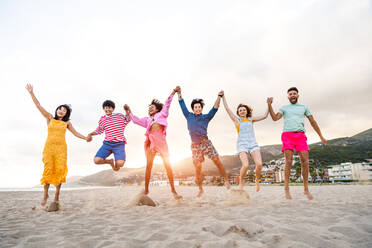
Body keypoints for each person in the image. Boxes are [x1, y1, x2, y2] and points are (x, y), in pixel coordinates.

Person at [25, 84, 90, 207]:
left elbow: (75, 133)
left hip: (61, 150)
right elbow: (38, 105)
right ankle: (45, 194)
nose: (61, 111)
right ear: (57, 110)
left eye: (64, 110)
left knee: (59, 171)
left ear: (66, 114)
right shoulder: (49, 118)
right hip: (49, 149)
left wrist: (86, 138)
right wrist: (31, 93)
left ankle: (57, 195)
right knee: (48, 170)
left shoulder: (67, 123)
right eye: (60, 109)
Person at [267, 87, 327, 200]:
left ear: (298, 95)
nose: (292, 95)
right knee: (288, 162)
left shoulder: (304, 107)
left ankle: (306, 189)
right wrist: (269, 105)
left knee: (305, 161)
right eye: (290, 94)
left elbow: (313, 122)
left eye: (294, 93)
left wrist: (321, 136)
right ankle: (286, 189)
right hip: (287, 136)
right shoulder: (284, 108)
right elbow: (275, 118)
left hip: (300, 136)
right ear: (288, 97)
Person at [124, 87, 182, 200]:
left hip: (161, 143)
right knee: (148, 167)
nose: (150, 109)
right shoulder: (147, 120)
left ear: (157, 109)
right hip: (151, 143)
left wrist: (173, 92)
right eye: (149, 108)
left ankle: (174, 191)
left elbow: (167, 103)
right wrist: (129, 111)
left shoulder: (162, 114)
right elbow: (136, 120)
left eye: (152, 107)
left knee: (168, 166)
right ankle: (146, 189)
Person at [176, 86, 231, 197]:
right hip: (195, 146)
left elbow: (215, 108)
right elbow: (182, 105)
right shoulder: (188, 116)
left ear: (201, 108)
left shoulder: (206, 117)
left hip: (206, 143)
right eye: (195, 107)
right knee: (198, 168)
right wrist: (179, 93)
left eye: (199, 107)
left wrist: (219, 97)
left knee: (217, 161)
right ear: (193, 109)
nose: (197, 108)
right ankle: (200, 189)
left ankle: (226, 180)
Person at [221, 91, 268, 191]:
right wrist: (223, 97)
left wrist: (268, 104)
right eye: (240, 110)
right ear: (238, 112)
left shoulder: (251, 119)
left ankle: (257, 179)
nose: (242, 111)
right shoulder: (237, 120)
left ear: (246, 111)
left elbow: (264, 116)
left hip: (253, 144)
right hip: (242, 145)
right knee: (245, 165)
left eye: (244, 110)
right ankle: (241, 182)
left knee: (259, 164)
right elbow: (227, 109)